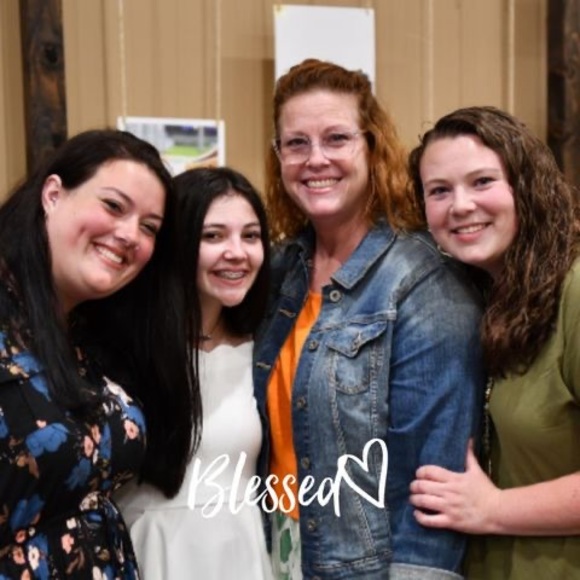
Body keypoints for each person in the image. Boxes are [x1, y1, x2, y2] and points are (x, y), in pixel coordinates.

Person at [253, 58, 487, 579]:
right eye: (296, 143)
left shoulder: (424, 284)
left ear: (373, 146)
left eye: (337, 138)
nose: (316, 159)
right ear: (278, 156)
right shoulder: (278, 271)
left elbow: (436, 489)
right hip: (274, 549)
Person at [0, 129, 200, 578]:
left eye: (149, 227)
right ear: (53, 194)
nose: (129, 235)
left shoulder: (90, 332)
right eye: (113, 206)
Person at [408, 105, 580, 579]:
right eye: (439, 190)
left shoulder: (574, 289)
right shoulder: (473, 299)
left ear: (526, 185)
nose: (461, 205)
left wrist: (494, 509)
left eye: (482, 181)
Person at [116, 167, 273, 580]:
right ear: (179, 244)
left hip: (242, 549)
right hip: (153, 548)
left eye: (251, 236)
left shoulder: (261, 350)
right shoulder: (124, 349)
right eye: (213, 236)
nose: (237, 252)